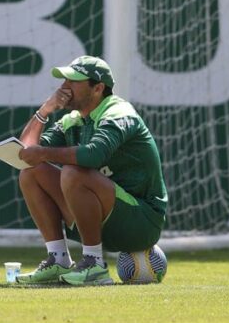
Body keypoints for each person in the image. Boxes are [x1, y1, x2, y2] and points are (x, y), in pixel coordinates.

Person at [14, 55, 168, 286]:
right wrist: (45, 110)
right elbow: (27, 152)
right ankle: (58, 260)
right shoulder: (73, 120)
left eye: (73, 81)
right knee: (31, 172)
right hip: (97, 218)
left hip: (141, 223)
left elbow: (94, 154)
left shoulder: (118, 112)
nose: (64, 86)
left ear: (98, 88)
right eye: (64, 80)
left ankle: (94, 265)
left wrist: (43, 153)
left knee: (73, 172)